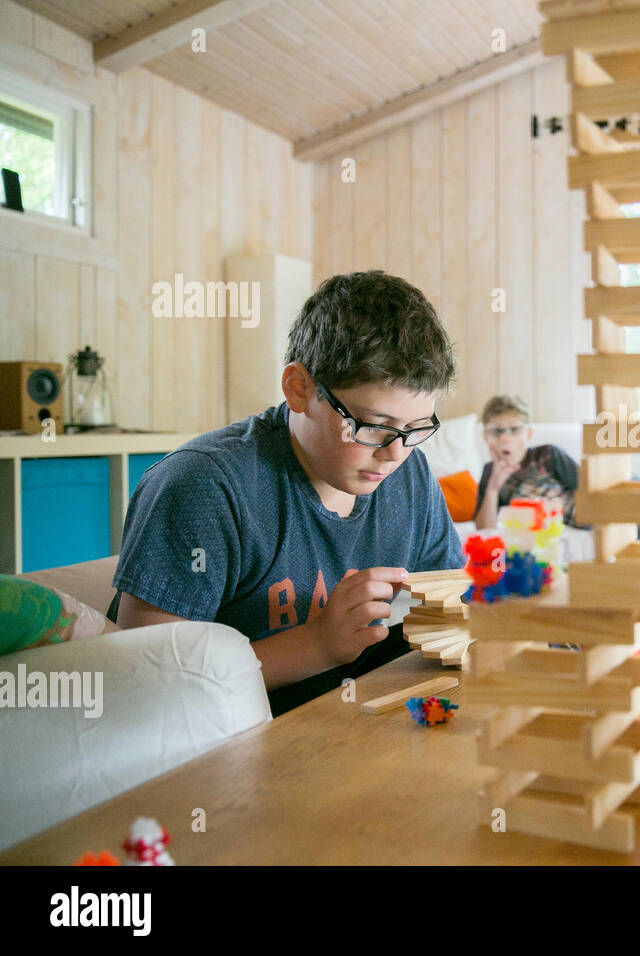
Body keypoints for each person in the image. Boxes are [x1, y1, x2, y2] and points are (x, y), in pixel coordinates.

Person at [106, 271, 464, 715]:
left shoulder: (409, 475)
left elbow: (452, 602)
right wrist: (316, 646)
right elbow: (143, 687)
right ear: (299, 389)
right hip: (222, 741)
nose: (395, 454)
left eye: (415, 429)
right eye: (374, 426)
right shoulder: (204, 487)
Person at [474, 395, 581, 528]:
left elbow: (588, 488)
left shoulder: (548, 454)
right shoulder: (490, 471)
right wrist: (493, 488)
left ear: (528, 434)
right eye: (497, 431)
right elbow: (484, 529)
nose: (505, 438)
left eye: (514, 430)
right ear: (486, 437)